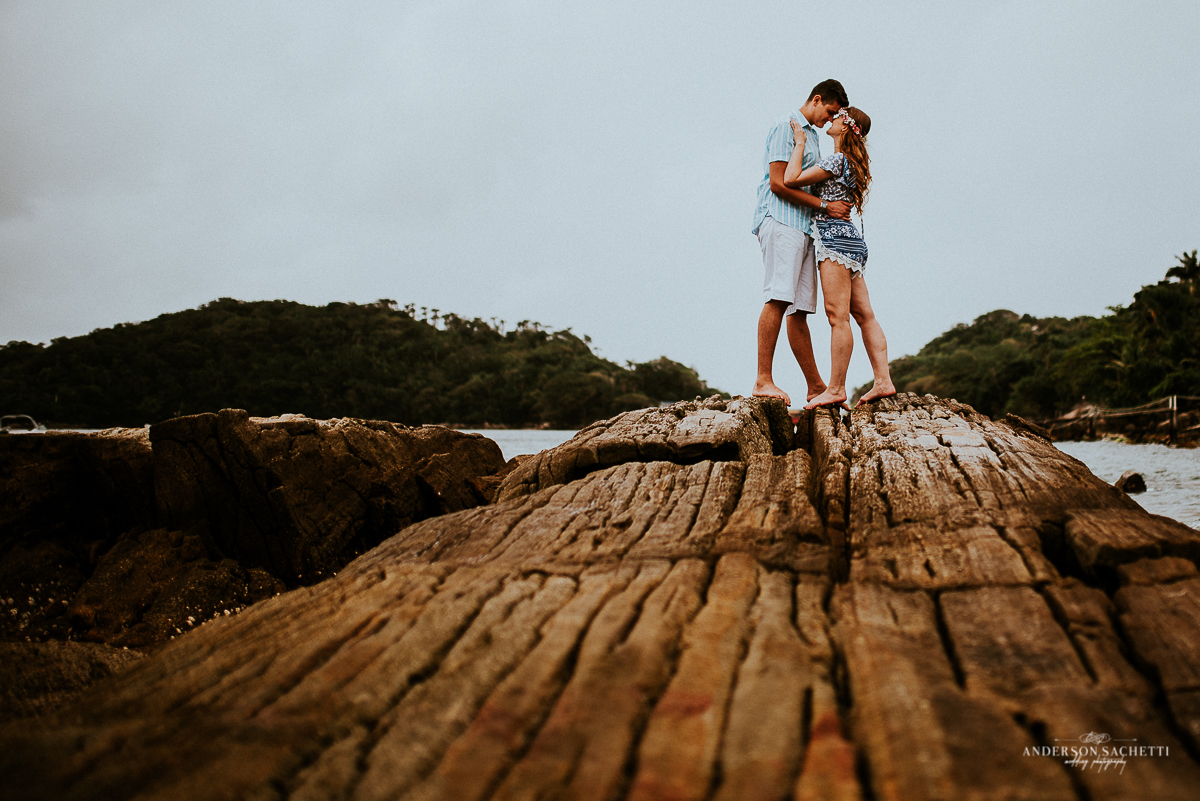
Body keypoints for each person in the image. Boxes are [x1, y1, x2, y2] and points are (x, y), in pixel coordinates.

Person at [783, 106, 896, 408]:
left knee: (838, 317)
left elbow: (791, 179)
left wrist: (799, 144)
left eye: (837, 117)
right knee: (865, 315)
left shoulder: (836, 160)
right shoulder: (854, 164)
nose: (831, 119)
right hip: (854, 244)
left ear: (846, 127)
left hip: (833, 240)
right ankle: (884, 380)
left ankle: (835, 388)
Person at [751, 79, 853, 407]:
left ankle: (815, 386)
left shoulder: (810, 136)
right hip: (781, 220)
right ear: (818, 99)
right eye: (830, 111)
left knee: (799, 311)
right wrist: (826, 207)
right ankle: (762, 380)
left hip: (804, 229)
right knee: (779, 297)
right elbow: (780, 184)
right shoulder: (788, 127)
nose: (829, 118)